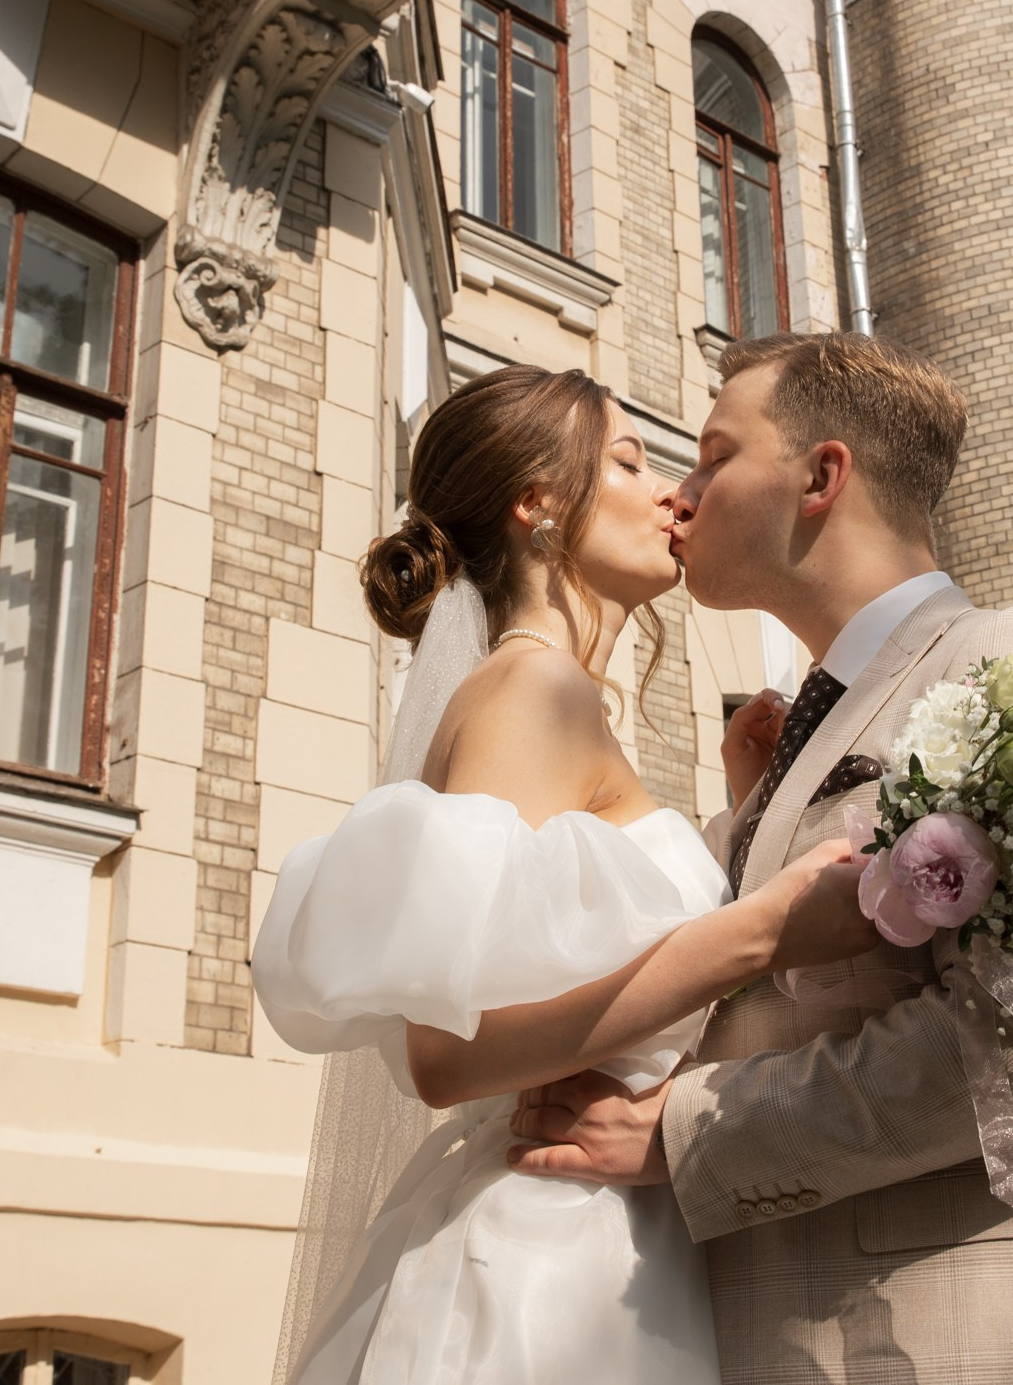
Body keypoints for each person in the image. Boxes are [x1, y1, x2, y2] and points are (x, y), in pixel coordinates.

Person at [508, 331, 1013, 1384]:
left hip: (994, 1331)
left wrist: (688, 1135)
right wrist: (753, 818)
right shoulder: (792, 740)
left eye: (714, 456)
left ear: (821, 476)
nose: (681, 496)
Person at [251, 363, 879, 1385]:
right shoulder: (532, 689)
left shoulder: (552, 694)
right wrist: (762, 930)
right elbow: (448, 1054)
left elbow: (567, 948)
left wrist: (742, 820)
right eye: (630, 462)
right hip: (547, 1270)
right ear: (537, 501)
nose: (672, 495)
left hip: (611, 1239)